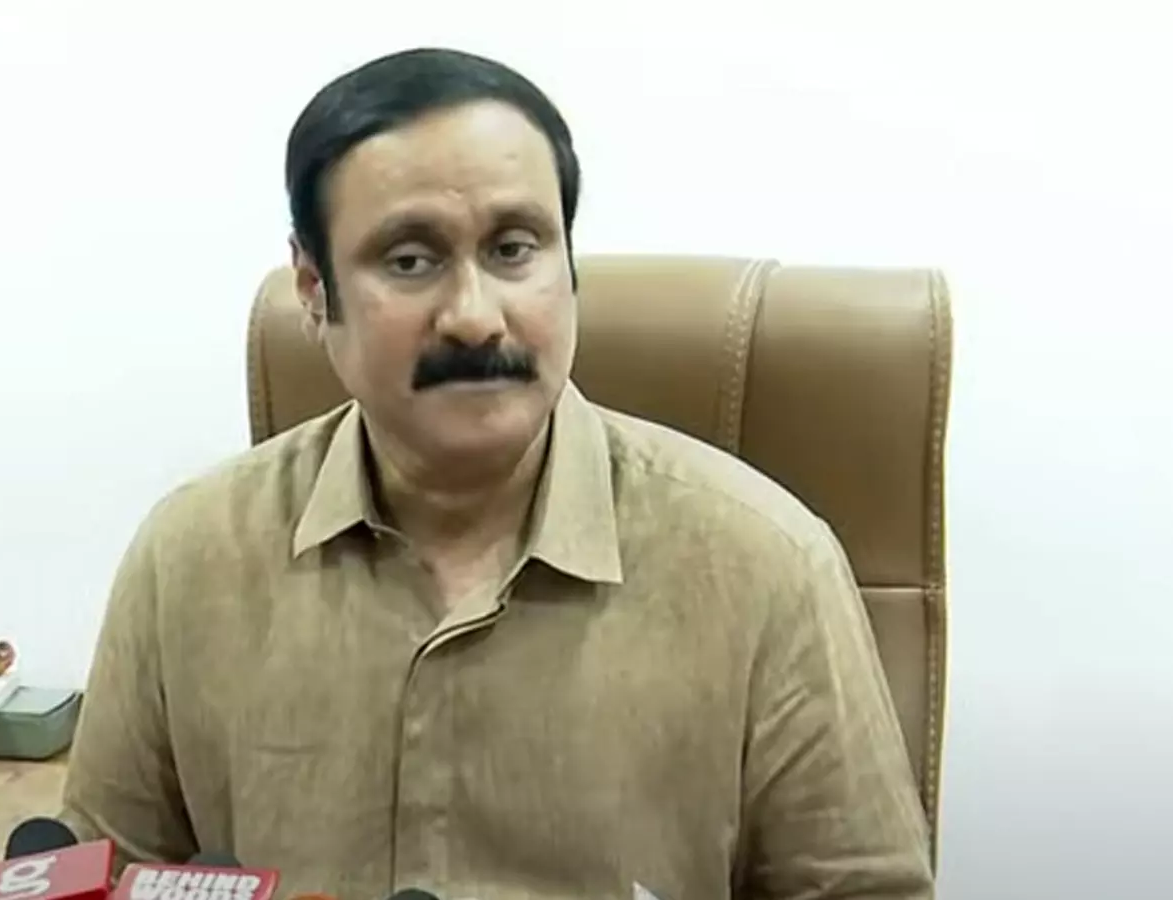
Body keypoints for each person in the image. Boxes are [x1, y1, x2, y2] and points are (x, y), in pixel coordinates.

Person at [59, 46, 934, 900]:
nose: (476, 319)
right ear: (314, 288)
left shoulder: (765, 564)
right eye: (410, 261)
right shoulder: (190, 556)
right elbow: (103, 875)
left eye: (515, 249)